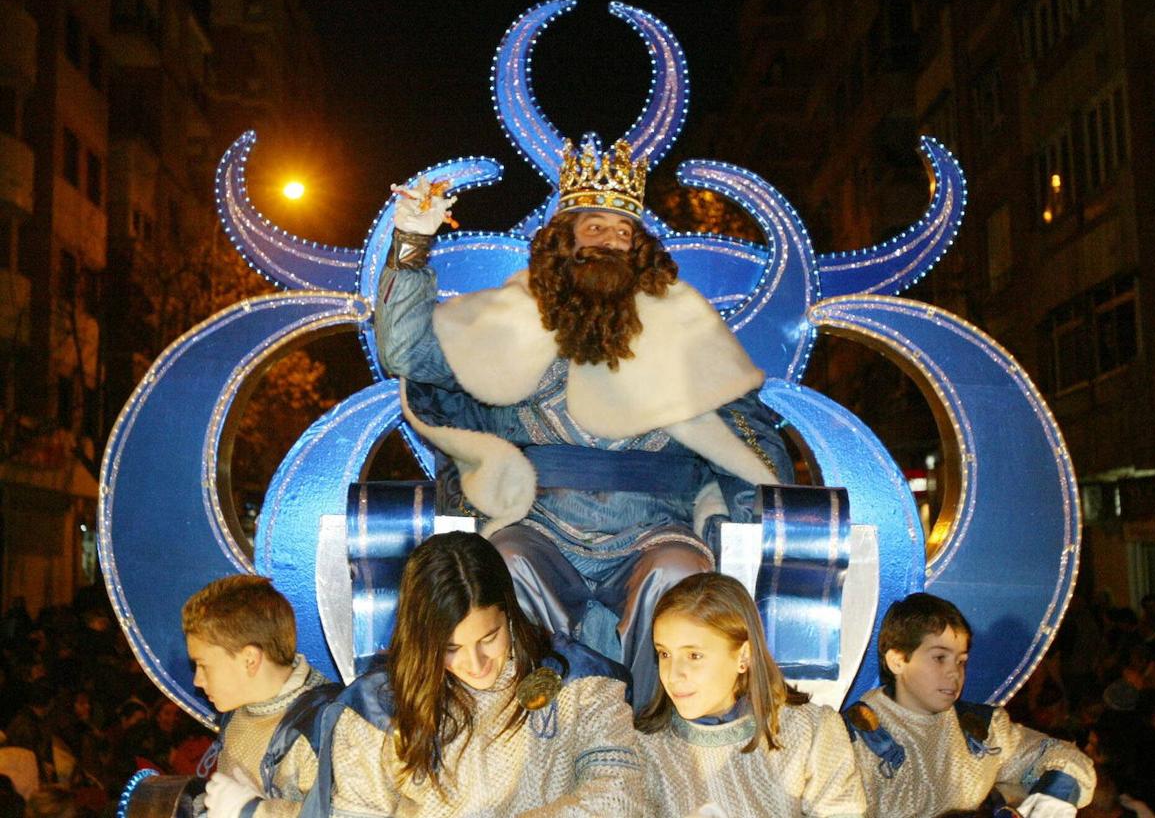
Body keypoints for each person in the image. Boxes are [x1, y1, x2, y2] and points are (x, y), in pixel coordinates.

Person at [376, 139, 793, 709]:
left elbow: (744, 434)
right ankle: (523, 732)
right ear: (562, 240)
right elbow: (407, 353)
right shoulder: (509, 319)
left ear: (641, 251)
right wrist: (412, 244)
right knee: (507, 567)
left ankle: (655, 733)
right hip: (536, 520)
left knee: (678, 576)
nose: (609, 240)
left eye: (623, 233)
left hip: (655, 526)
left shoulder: (685, 326)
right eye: (594, 227)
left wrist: (752, 514)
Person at [311, 530, 644, 816]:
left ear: (509, 613)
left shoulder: (582, 682)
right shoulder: (378, 708)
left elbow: (619, 796)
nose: (476, 663)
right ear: (422, 640)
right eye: (450, 649)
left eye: (489, 638)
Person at [843, 593, 1096, 817]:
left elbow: (1063, 758)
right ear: (897, 661)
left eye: (961, 661)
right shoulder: (851, 738)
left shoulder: (980, 730)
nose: (954, 673)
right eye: (939, 658)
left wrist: (1053, 796)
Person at [636, 572, 866, 817]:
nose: (673, 674)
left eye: (694, 656)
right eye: (664, 654)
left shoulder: (810, 731)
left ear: (744, 656)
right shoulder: (642, 748)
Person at [181, 575, 338, 818]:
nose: (197, 681)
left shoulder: (324, 727)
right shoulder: (236, 713)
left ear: (250, 660)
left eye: (204, 666)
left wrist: (254, 811)